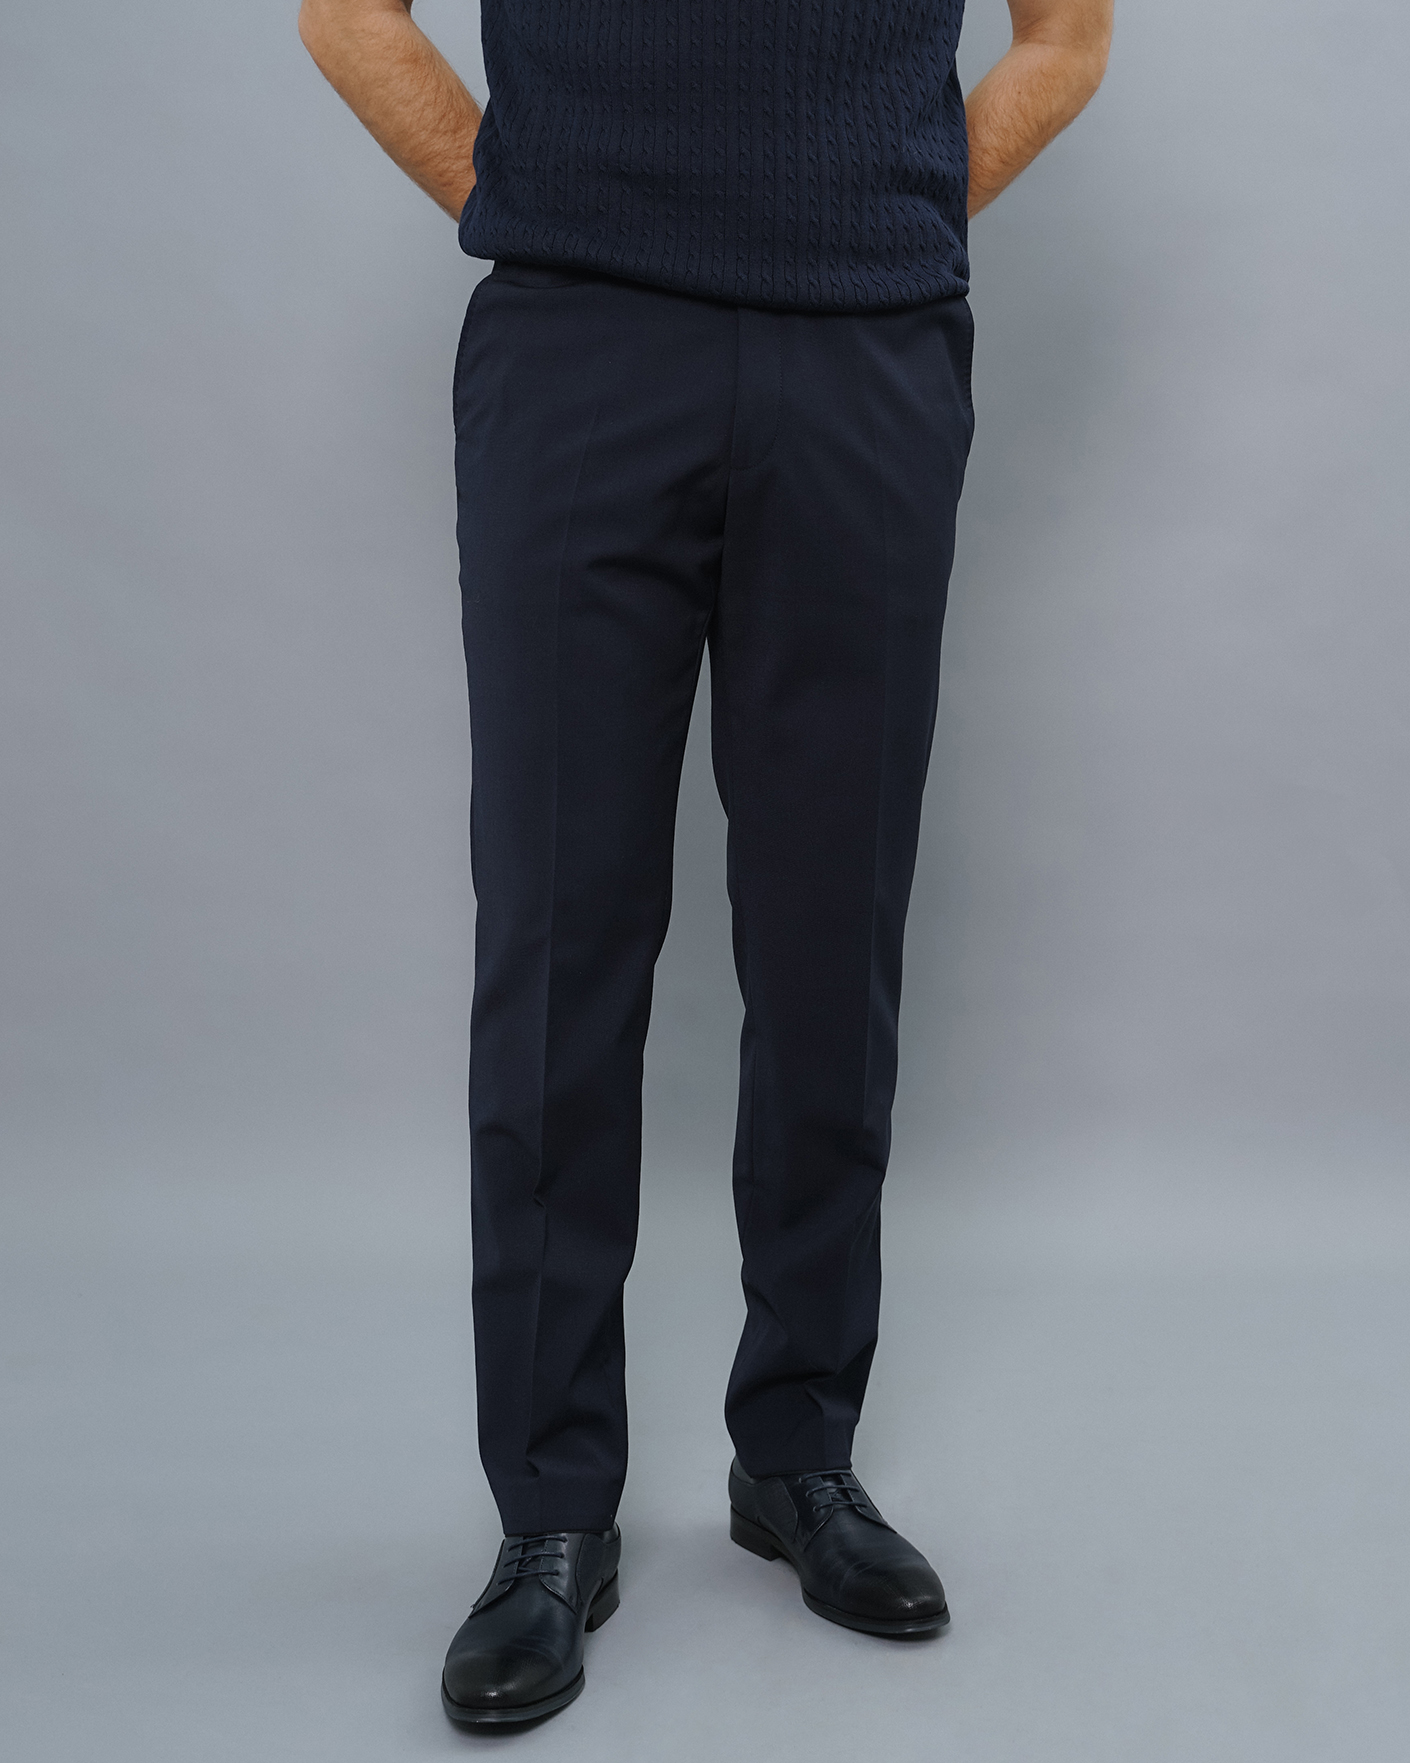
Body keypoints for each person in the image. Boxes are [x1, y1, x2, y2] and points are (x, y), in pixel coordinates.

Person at [299, 0, 1112, 1727]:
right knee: (557, 939)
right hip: (579, 344)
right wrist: (530, 192)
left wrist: (891, 204)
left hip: (867, 351)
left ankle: (797, 1454)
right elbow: (341, 11)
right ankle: (549, 1512)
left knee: (830, 937)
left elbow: (1068, 37)